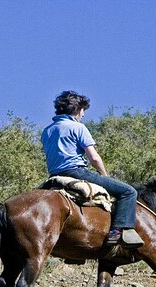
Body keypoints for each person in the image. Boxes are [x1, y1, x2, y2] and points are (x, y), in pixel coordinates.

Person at [41, 91, 143, 248]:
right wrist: (104, 175)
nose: (83, 114)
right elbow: (94, 158)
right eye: (83, 110)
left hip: (54, 175)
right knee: (128, 192)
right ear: (76, 109)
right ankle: (120, 231)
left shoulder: (47, 131)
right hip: (76, 172)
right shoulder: (78, 127)